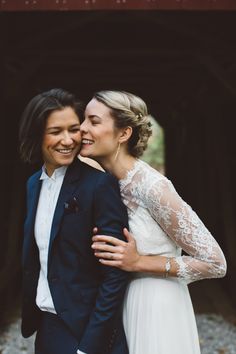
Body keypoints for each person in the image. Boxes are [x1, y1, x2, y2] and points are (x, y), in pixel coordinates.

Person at [79, 90, 227, 354]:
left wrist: (139, 262)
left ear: (123, 134)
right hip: (121, 302)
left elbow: (215, 262)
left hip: (156, 305)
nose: (82, 128)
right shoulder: (105, 183)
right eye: (83, 120)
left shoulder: (152, 187)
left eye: (93, 121)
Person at [19, 88, 130, 354]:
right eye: (56, 131)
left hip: (86, 333)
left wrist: (90, 347)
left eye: (73, 129)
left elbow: (114, 274)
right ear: (37, 134)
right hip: (47, 328)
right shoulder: (33, 184)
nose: (68, 140)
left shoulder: (99, 185)